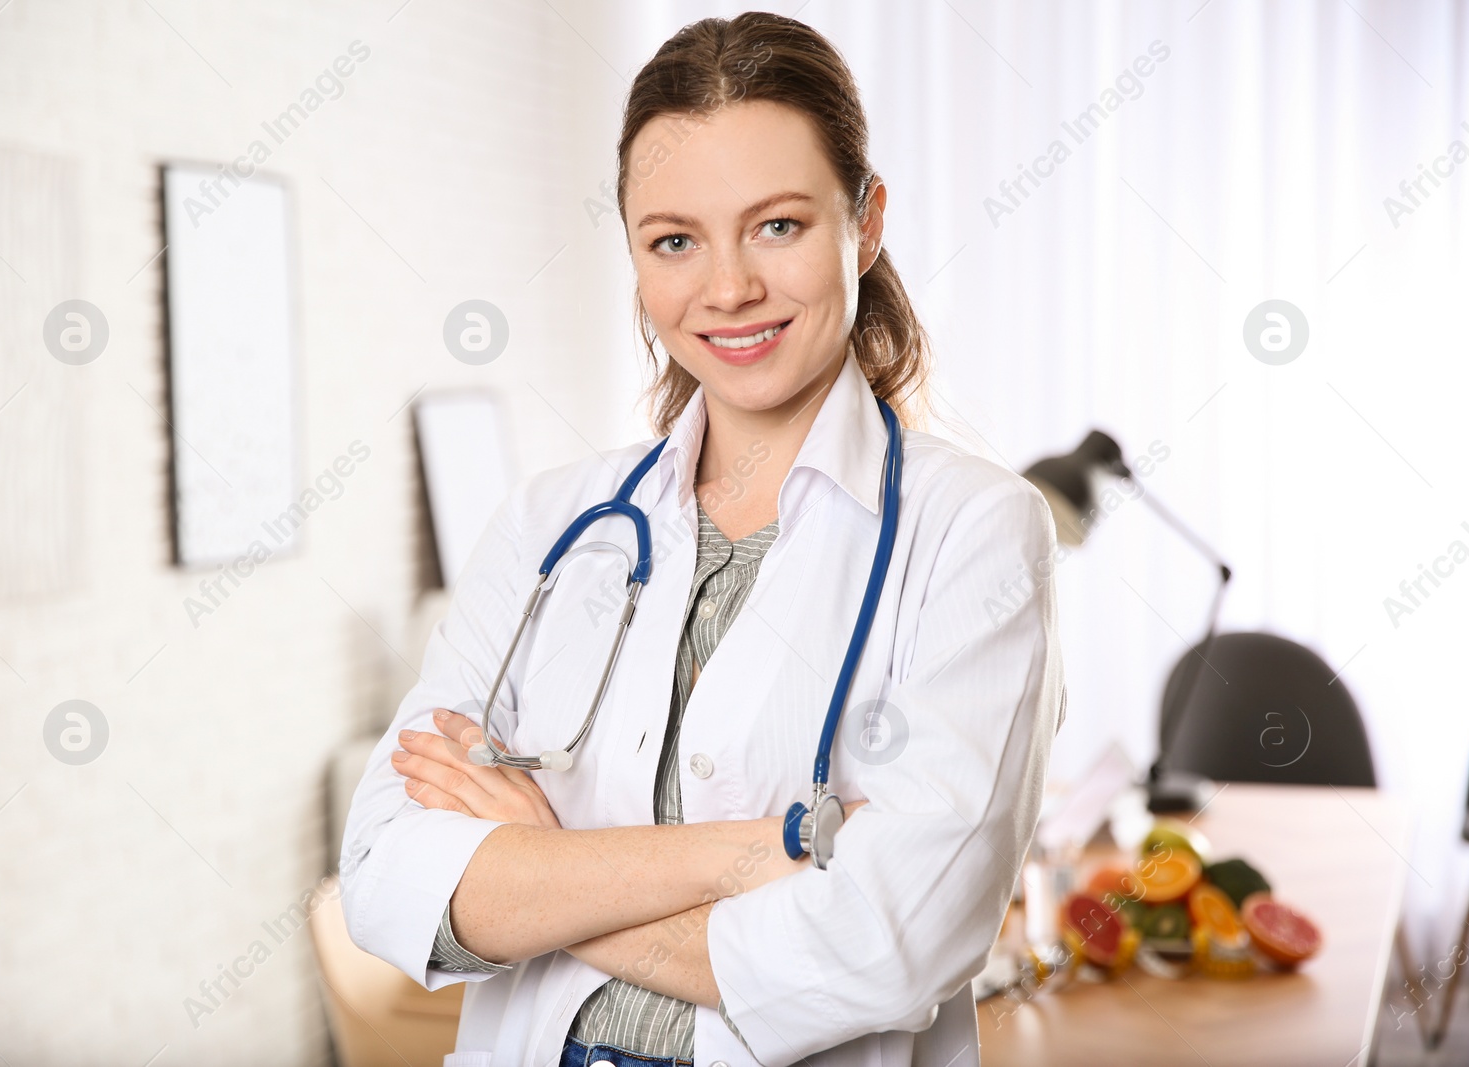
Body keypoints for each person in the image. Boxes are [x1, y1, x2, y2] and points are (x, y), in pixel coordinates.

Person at [340, 11, 1065, 1066]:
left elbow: (890, 943)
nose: (726, 288)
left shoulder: (977, 532)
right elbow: (385, 873)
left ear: (863, 222)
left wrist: (545, 869)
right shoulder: (552, 525)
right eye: (674, 240)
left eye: (777, 225)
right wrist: (755, 853)